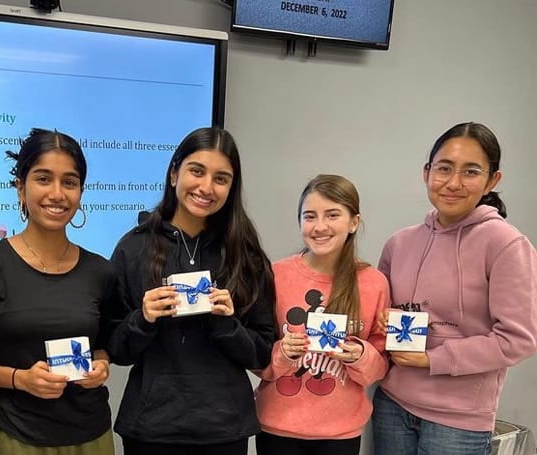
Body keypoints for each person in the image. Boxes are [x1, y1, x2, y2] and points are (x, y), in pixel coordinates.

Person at [108, 126, 275, 455]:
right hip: (152, 428)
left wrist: (227, 324)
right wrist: (143, 319)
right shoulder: (133, 247)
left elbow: (262, 353)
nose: (206, 187)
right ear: (174, 174)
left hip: (223, 428)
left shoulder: (245, 253)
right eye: (196, 171)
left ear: (231, 187)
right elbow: (116, 350)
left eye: (221, 178)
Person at [372, 122, 537, 455]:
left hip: (458, 420)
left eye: (471, 171)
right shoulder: (399, 244)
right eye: (444, 168)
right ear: (426, 172)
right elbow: (383, 313)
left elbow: (517, 340)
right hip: (391, 403)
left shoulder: (506, 245)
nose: (453, 183)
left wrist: (432, 359)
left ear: (493, 180)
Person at [0, 128, 118, 455]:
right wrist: (18, 379)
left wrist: (102, 365)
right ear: (21, 188)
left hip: (92, 435)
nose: (57, 193)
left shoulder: (101, 271)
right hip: (21, 436)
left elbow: (105, 345)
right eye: (43, 179)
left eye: (69, 182)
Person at [254, 174, 389, 455]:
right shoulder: (275, 276)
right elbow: (255, 354)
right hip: (278, 427)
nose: (320, 226)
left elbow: (381, 364)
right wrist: (282, 353)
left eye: (332, 215)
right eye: (310, 216)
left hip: (340, 432)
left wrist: (359, 355)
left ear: (354, 223)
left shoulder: (374, 282)